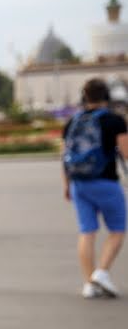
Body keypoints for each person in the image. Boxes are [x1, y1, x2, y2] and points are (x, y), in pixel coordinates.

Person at [62, 78, 128, 298]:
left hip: (79, 183)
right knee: (117, 230)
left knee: (87, 232)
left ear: (84, 96)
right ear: (106, 96)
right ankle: (101, 272)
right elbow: (126, 153)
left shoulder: (73, 121)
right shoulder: (114, 121)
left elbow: (65, 156)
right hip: (106, 182)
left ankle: (89, 283)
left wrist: (66, 185)